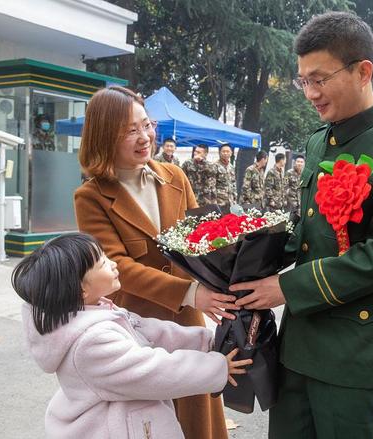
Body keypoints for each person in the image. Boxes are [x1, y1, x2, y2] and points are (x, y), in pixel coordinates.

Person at [229, 12, 373, 438]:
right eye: (303, 80)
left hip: (356, 354)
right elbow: (308, 232)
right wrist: (236, 255)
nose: (310, 93)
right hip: (300, 344)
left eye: (320, 79)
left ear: (364, 71)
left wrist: (285, 288)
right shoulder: (318, 141)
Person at [73, 86, 235, 439]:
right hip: (137, 325)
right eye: (130, 130)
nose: (145, 137)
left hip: (187, 318)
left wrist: (229, 272)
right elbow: (117, 265)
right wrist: (192, 293)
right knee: (149, 422)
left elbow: (201, 242)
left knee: (195, 419)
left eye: (146, 125)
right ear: (104, 136)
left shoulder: (174, 177)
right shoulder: (91, 196)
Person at [13, 232, 252, 439]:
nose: (114, 264)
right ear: (81, 289)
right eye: (103, 263)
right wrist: (215, 367)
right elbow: (152, 371)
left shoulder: (96, 311)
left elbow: (153, 333)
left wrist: (207, 342)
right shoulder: (90, 343)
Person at [215, 143, 237, 208]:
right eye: (223, 151)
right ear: (219, 153)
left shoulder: (231, 167)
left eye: (227, 151)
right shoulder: (214, 166)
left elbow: (233, 183)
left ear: (231, 153)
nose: (225, 153)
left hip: (231, 201)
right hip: (220, 201)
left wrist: (235, 198)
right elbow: (211, 185)